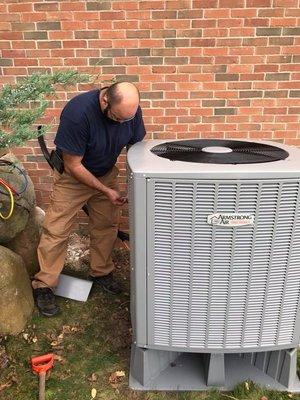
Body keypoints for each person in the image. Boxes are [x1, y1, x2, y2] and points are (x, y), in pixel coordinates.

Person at [32, 81, 146, 317]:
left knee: (106, 225)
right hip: (73, 178)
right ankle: (44, 285)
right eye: (118, 118)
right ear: (105, 101)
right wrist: (105, 190)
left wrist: (134, 180)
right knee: (56, 229)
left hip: (106, 172)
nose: (123, 123)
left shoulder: (129, 110)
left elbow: (136, 146)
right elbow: (73, 165)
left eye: (128, 119)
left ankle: (101, 271)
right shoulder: (78, 113)